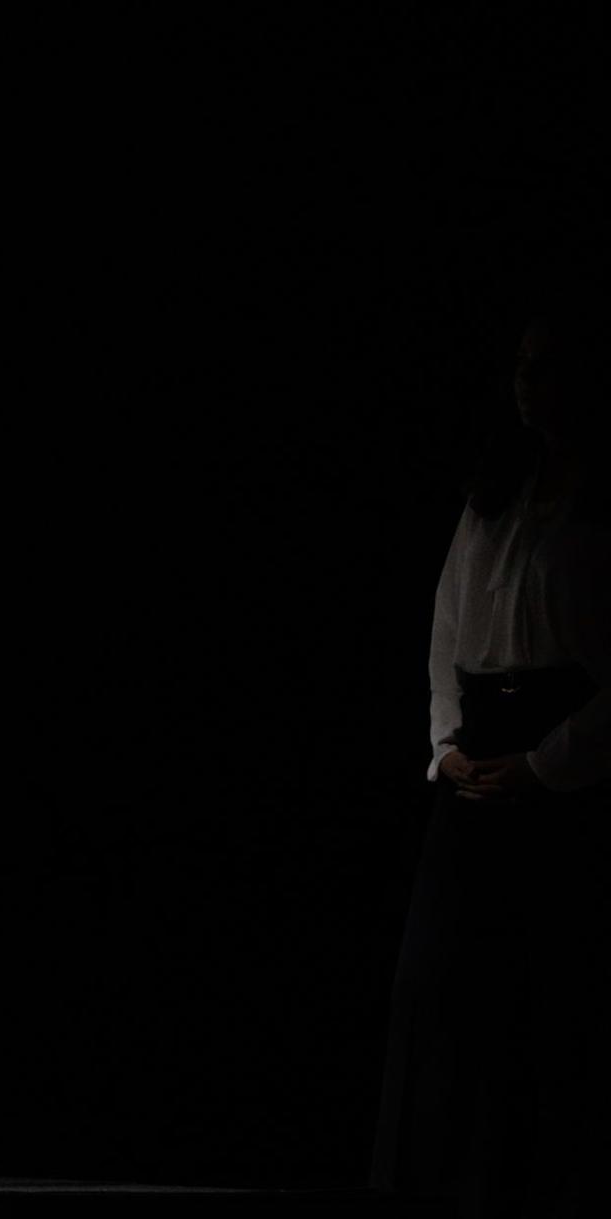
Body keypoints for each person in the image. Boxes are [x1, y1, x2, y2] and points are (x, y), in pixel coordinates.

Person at [373, 306, 611, 1216]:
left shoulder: (599, 509)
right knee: (437, 989)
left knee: (542, 996)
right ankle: (422, 1188)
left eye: (548, 366)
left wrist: (548, 764)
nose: (528, 381)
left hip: (556, 753)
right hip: (476, 750)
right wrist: (445, 746)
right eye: (522, 364)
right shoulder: (496, 491)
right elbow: (444, 627)